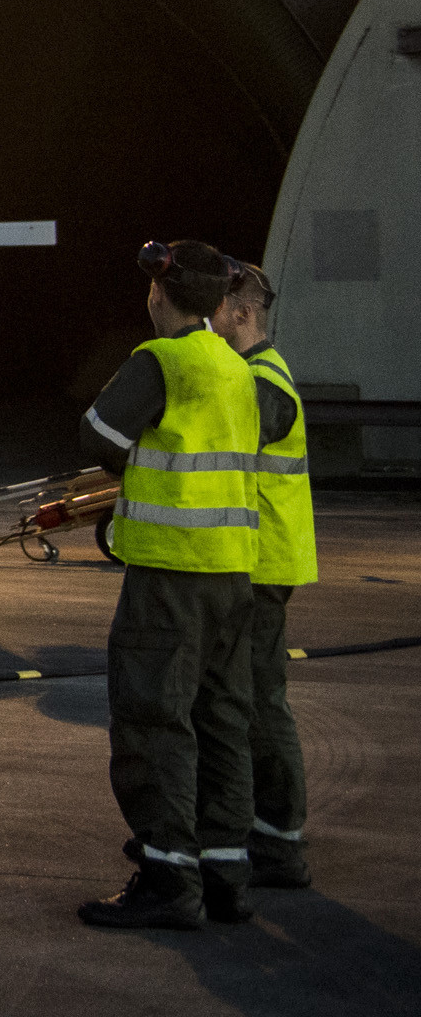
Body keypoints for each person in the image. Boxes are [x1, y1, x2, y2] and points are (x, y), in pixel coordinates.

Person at [74, 239, 264, 930]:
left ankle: (167, 881)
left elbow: (98, 438)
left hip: (170, 575)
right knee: (221, 726)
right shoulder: (237, 368)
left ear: (159, 296)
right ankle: (224, 878)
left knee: (155, 725)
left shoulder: (163, 360)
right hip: (233, 575)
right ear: (221, 303)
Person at [212, 261, 314, 890]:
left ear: (242, 313)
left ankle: (278, 838)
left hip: (263, 563)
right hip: (255, 559)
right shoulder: (255, 374)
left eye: (216, 308)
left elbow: (253, 430)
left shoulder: (263, 382)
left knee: (257, 701)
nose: (206, 318)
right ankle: (262, 829)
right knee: (246, 699)